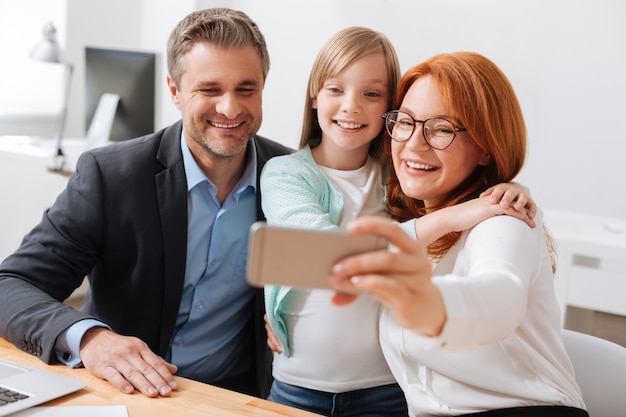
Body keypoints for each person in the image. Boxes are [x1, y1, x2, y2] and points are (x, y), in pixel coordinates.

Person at [0, 8, 291, 399]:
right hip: (126, 395)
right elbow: (10, 284)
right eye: (209, 90)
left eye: (246, 88)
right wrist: (92, 340)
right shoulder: (111, 176)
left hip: (234, 400)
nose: (230, 108)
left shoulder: (290, 178)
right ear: (174, 91)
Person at [259, 27, 535, 417]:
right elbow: (326, 255)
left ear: (392, 106)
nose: (351, 106)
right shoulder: (285, 174)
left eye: (371, 94)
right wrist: (450, 218)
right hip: (298, 386)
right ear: (314, 94)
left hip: (388, 389)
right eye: (336, 89)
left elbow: (462, 170)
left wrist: (510, 187)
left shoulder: (402, 173)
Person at [330, 52, 588, 417]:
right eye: (405, 122)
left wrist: (431, 304)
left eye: (441, 128)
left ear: (485, 147)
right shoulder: (412, 224)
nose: (414, 143)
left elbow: (500, 293)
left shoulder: (503, 221)